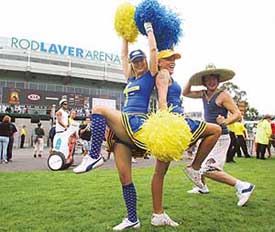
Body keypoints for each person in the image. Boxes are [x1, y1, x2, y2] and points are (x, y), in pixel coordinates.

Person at [73, 22, 158, 230]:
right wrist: (124, 34)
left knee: (99, 109)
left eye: (141, 60)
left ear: (146, 61)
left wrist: (149, 31)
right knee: (124, 176)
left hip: (137, 123)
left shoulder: (150, 76)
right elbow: (123, 55)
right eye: (135, 61)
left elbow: (154, 50)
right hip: (122, 130)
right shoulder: (129, 79)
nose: (138, 63)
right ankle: (132, 219)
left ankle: (94, 156)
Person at [150, 50, 222, 227]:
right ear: (159, 62)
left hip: (179, 123)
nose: (173, 61)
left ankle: (158, 214)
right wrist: (165, 122)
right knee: (215, 130)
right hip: (174, 124)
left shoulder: (168, 73)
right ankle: (194, 167)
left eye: (174, 59)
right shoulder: (163, 73)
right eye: (168, 59)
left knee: (160, 172)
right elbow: (162, 98)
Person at [183, 63, 255, 207]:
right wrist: (191, 79)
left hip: (221, 137)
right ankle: (202, 187)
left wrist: (225, 121)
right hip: (208, 135)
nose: (212, 81)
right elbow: (185, 93)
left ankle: (243, 186)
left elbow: (238, 114)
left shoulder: (223, 95)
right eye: (208, 78)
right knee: (200, 163)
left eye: (214, 78)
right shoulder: (203, 94)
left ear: (218, 80)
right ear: (204, 81)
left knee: (208, 169)